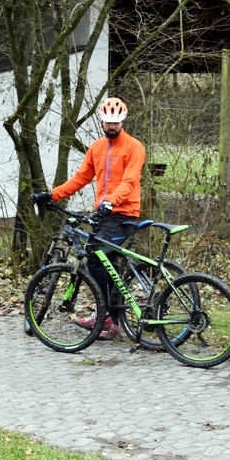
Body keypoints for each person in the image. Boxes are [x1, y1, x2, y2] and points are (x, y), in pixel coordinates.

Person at [31, 97, 146, 340]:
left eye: (116, 123)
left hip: (124, 215)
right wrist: (52, 195)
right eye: (108, 123)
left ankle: (104, 316)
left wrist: (110, 201)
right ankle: (113, 320)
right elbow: (80, 178)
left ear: (123, 121)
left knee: (94, 256)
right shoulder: (96, 147)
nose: (112, 127)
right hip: (104, 215)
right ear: (101, 121)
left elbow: (129, 181)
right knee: (106, 263)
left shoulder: (135, 147)